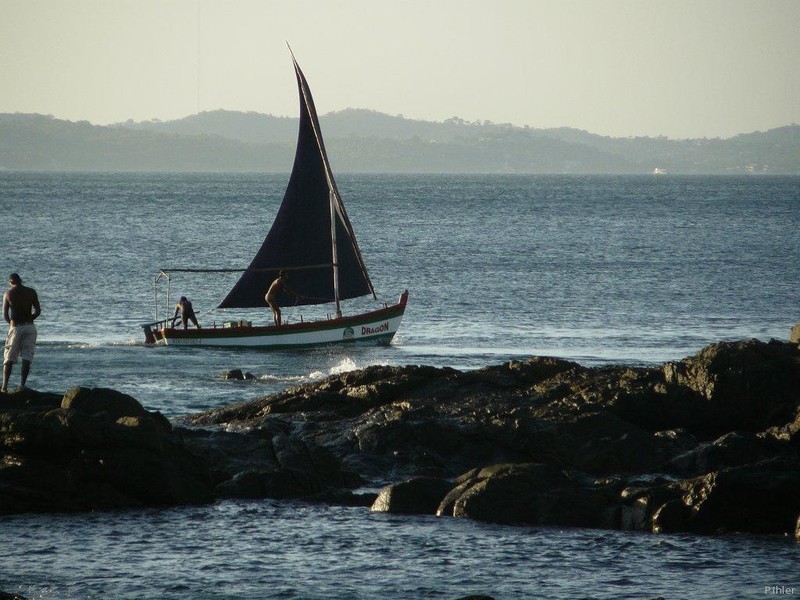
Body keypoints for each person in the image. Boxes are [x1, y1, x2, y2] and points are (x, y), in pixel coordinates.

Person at [2, 273, 41, 393]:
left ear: (11, 282)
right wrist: (29, 319)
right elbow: (38, 311)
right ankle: (22, 385)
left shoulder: (8, 294)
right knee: (26, 357)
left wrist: (12, 325)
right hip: (30, 327)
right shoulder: (31, 292)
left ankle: (4, 387)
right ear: (21, 280)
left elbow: (5, 315)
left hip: (16, 327)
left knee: (9, 358)